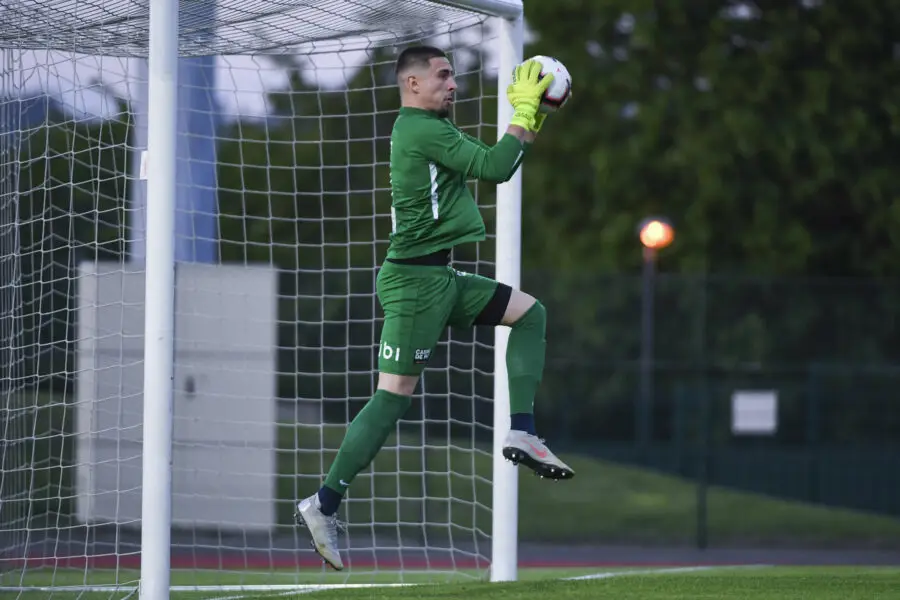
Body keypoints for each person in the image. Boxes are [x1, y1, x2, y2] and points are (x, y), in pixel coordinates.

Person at [295, 46, 574, 571]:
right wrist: (521, 114)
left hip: (440, 275)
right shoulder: (421, 130)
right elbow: (495, 167)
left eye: (453, 75)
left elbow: (504, 162)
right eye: (443, 76)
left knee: (530, 312)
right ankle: (323, 503)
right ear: (412, 84)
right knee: (393, 396)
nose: (453, 85)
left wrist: (531, 117)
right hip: (415, 282)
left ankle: (522, 430)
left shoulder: (433, 128)